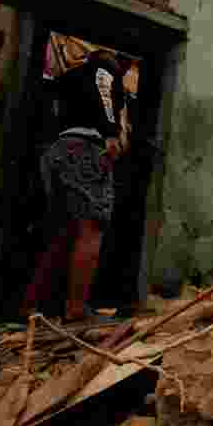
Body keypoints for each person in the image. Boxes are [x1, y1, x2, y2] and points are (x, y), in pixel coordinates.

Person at [20, 49, 127, 323]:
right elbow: (104, 88)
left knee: (64, 232)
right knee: (92, 228)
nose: (122, 69)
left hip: (57, 151)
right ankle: (76, 309)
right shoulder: (103, 68)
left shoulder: (67, 79)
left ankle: (31, 306)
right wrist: (112, 133)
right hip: (84, 149)